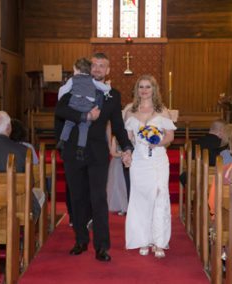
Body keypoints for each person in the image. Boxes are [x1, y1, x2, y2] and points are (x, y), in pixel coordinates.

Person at [55, 52, 133, 262]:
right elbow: (60, 111)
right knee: (78, 197)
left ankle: (102, 246)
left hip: (98, 153)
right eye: (95, 65)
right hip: (73, 151)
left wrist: (127, 146)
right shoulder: (75, 86)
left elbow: (117, 125)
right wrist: (85, 116)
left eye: (102, 66)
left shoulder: (113, 95)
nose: (97, 69)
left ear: (108, 70)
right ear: (90, 68)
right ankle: (80, 241)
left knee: (99, 199)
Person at [124, 75, 176, 258]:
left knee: (160, 196)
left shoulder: (162, 111)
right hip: (138, 161)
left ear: (154, 89)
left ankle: (159, 241)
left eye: (148, 87)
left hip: (158, 160)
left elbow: (170, 136)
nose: (144, 90)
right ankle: (143, 239)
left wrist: (159, 142)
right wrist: (127, 154)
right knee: (140, 199)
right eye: (141, 87)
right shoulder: (130, 112)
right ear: (136, 90)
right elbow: (128, 139)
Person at [56, 57, 111, 161]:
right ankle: (81, 148)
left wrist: (60, 99)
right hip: (87, 106)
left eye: (74, 70)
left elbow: (63, 89)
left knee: (68, 123)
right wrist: (108, 86)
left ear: (77, 69)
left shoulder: (73, 79)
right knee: (84, 128)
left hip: (75, 104)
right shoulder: (92, 80)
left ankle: (62, 141)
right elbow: (103, 88)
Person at [106, 122, 128, 215]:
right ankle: (122, 207)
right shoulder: (115, 138)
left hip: (128, 162)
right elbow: (112, 152)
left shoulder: (131, 136)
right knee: (119, 185)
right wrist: (122, 154)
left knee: (127, 185)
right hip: (117, 163)